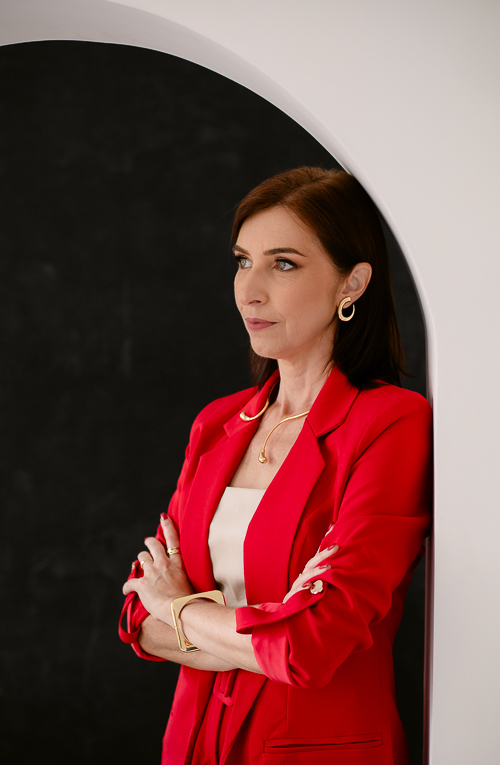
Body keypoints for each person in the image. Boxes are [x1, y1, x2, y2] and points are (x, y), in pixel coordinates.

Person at [119, 167, 432, 765]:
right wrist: (260, 631)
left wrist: (178, 606)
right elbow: (138, 617)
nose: (249, 291)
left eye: (283, 264)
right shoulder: (217, 423)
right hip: (194, 745)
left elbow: (312, 645)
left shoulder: (390, 423)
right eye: (243, 262)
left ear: (352, 283)